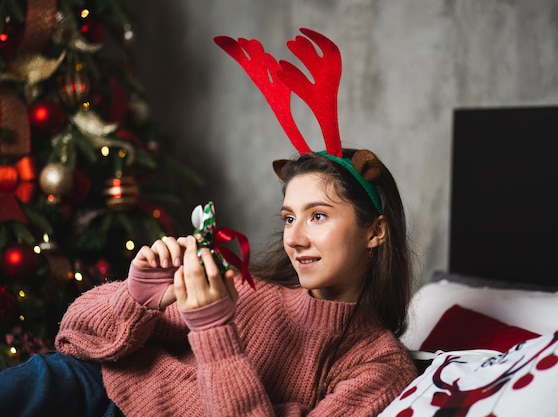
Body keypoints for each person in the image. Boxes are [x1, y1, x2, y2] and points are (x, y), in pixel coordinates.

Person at [0, 28, 419, 417]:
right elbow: (75, 338)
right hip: (89, 386)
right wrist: (136, 298)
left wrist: (214, 332)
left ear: (376, 231)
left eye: (319, 216)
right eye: (289, 217)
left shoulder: (380, 367)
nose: (295, 237)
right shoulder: (245, 291)